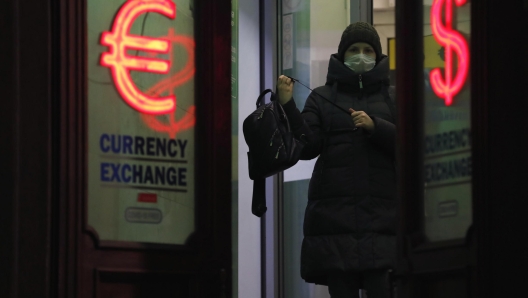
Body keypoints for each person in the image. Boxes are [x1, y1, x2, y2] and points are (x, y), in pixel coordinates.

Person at [277, 22, 396, 298]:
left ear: (378, 55)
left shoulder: (393, 97)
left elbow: (411, 145)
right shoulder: (322, 97)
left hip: (383, 222)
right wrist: (288, 106)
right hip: (335, 224)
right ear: (342, 55)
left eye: (368, 50)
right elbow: (307, 146)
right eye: (354, 49)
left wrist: (377, 127)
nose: (361, 55)